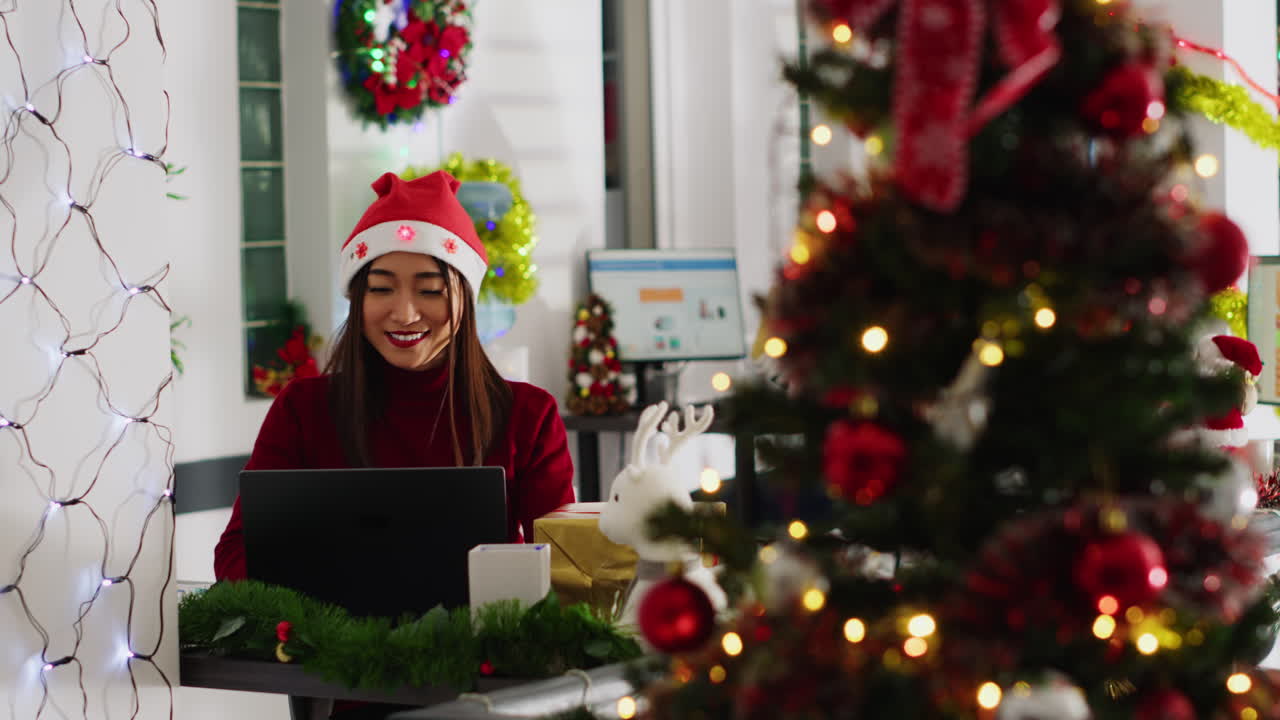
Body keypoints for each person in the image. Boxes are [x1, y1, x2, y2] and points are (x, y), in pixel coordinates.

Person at [214, 170, 576, 582]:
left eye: (430, 290)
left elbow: (559, 567)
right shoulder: (302, 408)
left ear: (465, 299)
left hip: (478, 644)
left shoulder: (528, 415)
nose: (404, 314)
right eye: (382, 289)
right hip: (323, 644)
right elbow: (237, 555)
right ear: (357, 299)